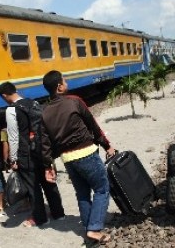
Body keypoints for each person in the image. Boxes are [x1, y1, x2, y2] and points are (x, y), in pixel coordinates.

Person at [40, 70, 115, 245]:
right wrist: (107, 145)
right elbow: (93, 126)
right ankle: (95, 229)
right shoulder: (74, 101)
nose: (66, 83)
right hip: (86, 153)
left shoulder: (44, 112)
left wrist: (47, 166)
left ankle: (89, 229)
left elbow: (44, 143)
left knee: (82, 194)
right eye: (64, 80)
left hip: (68, 159)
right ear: (59, 87)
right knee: (102, 188)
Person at [0, 82, 65, 227]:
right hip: (41, 150)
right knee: (49, 183)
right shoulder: (33, 102)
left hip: (26, 154)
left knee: (33, 186)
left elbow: (13, 137)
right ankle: (58, 213)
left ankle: (41, 218)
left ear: (4, 96)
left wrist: (14, 159)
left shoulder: (11, 110)